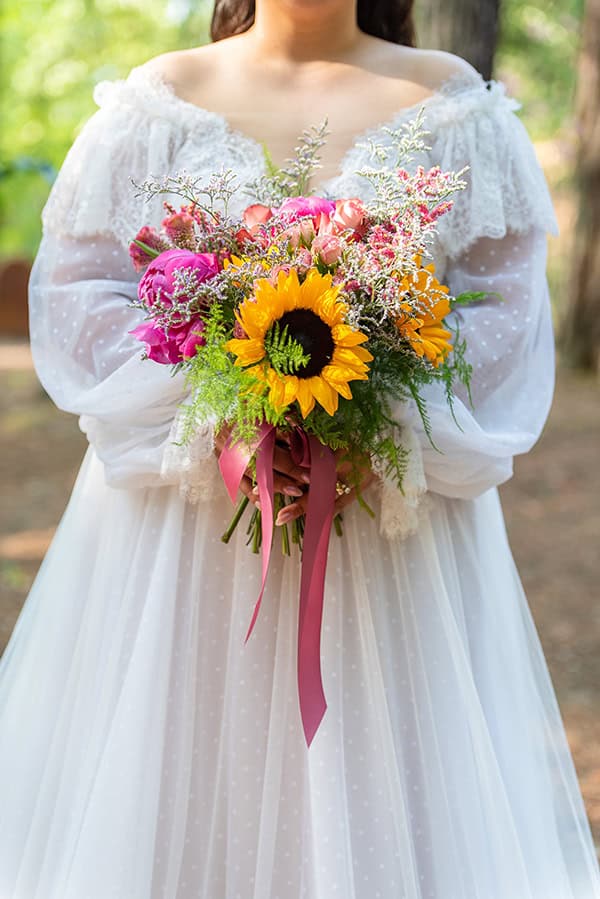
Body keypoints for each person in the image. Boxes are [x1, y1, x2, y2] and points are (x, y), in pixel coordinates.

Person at [1, 1, 599, 896]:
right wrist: (222, 414)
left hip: (390, 535)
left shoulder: (456, 109)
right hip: (186, 541)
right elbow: (82, 293)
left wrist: (384, 420)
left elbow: (504, 315)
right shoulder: (151, 106)